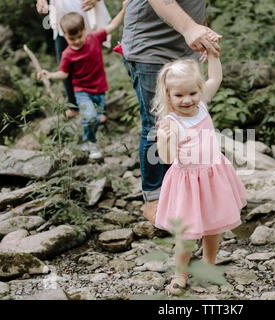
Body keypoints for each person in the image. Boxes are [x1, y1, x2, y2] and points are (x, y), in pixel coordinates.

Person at [153, 51, 247, 295]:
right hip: (187, 182)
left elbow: (215, 78)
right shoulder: (172, 122)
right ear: (169, 96)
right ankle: (180, 272)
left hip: (213, 175)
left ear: (199, 90)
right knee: (187, 233)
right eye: (179, 95)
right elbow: (167, 158)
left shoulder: (202, 105)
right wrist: (164, 139)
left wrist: (214, 55)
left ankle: (209, 264)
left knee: (214, 226)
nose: (187, 100)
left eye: (192, 93)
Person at [120, 0, 222, 224]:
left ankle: (181, 193)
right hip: (150, 48)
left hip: (186, 49)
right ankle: (154, 196)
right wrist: (190, 28)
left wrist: (201, 31)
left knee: (186, 122)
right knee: (158, 124)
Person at [38, 1, 127, 160]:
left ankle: (88, 139)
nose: (77, 41)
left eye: (79, 36)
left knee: (95, 118)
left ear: (84, 30)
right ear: (64, 36)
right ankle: (92, 143)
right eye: (72, 39)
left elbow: (112, 26)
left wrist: (124, 10)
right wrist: (50, 75)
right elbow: (64, 74)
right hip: (81, 91)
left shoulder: (94, 38)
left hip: (99, 89)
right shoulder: (68, 54)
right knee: (91, 116)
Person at [36, 0, 112, 118]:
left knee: (92, 62)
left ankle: (100, 108)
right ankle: (73, 105)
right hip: (61, 14)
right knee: (64, 63)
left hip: (85, 11)